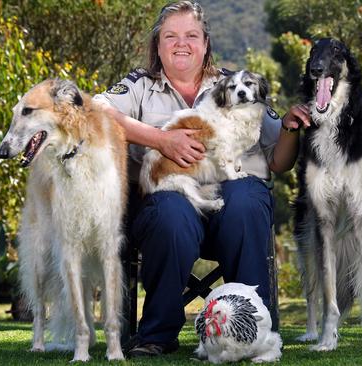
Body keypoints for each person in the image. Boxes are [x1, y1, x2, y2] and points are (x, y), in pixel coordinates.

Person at [93, 1, 310, 358]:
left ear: (205, 43)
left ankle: (254, 331)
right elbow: (99, 111)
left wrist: (289, 128)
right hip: (171, 200)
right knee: (169, 214)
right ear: (158, 45)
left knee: (243, 201)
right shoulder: (139, 86)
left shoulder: (237, 83)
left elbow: (280, 160)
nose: (182, 43)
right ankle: (157, 334)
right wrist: (160, 139)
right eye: (171, 36)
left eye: (191, 35)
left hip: (236, 203)